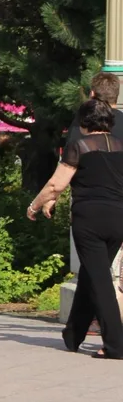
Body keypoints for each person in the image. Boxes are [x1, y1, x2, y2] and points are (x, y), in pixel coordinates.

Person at [28, 98, 123, 359]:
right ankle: (73, 334)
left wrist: (35, 205)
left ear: (84, 123)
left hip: (89, 219)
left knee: (100, 280)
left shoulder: (78, 146)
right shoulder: (120, 146)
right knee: (93, 274)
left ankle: (116, 344)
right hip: (118, 219)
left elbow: (55, 185)